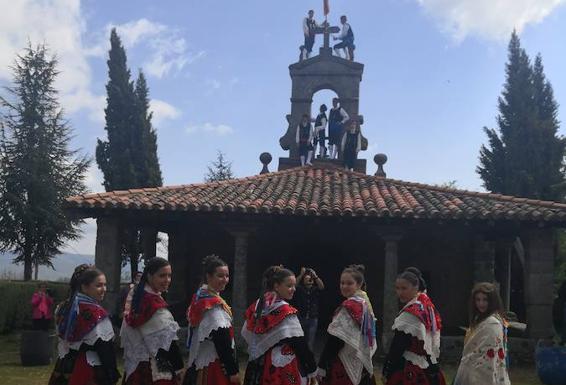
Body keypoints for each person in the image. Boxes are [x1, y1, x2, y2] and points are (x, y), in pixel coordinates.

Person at [242, 266, 317, 385]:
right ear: (276, 286)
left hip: (258, 363)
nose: (293, 289)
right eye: (289, 286)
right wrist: (312, 368)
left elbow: (247, 331)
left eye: (294, 285)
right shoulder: (286, 311)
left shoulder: (258, 304)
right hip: (279, 366)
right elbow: (299, 344)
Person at [49, 264, 119, 385]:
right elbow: (105, 350)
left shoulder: (62, 307)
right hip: (88, 368)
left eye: (104, 285)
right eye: (99, 285)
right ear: (84, 287)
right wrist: (111, 374)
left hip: (64, 366)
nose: (104, 289)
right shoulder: (97, 314)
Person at [120, 257, 184, 385]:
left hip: (136, 366)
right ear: (149, 276)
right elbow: (168, 343)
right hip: (153, 370)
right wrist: (179, 368)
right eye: (162, 276)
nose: (167, 280)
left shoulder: (137, 295)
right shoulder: (153, 304)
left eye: (169, 276)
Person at [382, 268, 446, 385]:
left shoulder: (411, 313)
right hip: (427, 365)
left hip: (410, 368)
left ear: (416, 288)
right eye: (397, 288)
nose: (400, 292)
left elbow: (398, 345)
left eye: (404, 288)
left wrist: (387, 371)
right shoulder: (426, 305)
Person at [184, 255, 240, 385]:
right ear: (209, 277)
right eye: (220, 276)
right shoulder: (211, 305)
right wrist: (232, 371)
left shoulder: (200, 297)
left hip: (201, 357)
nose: (225, 280)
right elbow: (222, 341)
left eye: (227, 276)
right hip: (214, 362)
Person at [317, 264, 377, 385]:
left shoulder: (349, 306)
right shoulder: (365, 304)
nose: (344, 286)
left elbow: (335, 341)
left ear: (359, 285)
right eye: (342, 283)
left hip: (344, 362)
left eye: (349, 283)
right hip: (360, 360)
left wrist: (322, 366)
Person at [453, 282, 511, 385]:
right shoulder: (479, 320)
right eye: (478, 300)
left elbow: (488, 355)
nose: (481, 303)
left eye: (485, 300)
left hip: (483, 374)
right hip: (471, 370)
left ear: (492, 301)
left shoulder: (493, 323)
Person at [293, 267, 325, 350]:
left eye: (310, 279)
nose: (309, 280)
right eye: (307, 279)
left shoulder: (315, 289)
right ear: (303, 281)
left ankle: (308, 359)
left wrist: (315, 276)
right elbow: (294, 285)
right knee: (301, 340)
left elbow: (322, 287)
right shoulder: (300, 289)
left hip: (313, 319)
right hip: (301, 318)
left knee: (310, 341)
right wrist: (301, 274)